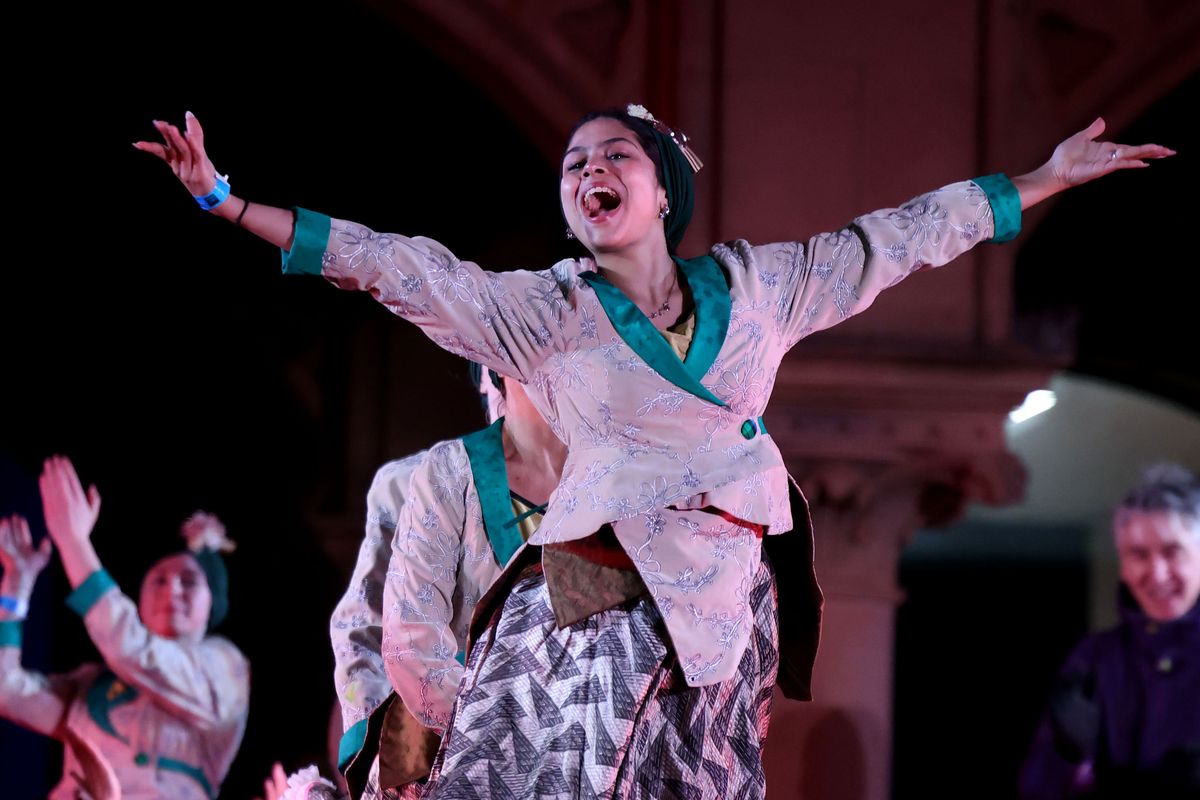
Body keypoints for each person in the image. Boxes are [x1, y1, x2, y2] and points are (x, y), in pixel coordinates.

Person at [137, 104, 1173, 799]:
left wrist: (1042, 179)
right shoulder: (542, 311)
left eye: (612, 157)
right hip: (598, 594)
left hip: (724, 602)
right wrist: (228, 202)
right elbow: (397, 267)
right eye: (574, 164)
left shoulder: (761, 286)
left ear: (662, 187)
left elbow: (893, 239)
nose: (588, 170)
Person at [333, 368, 565, 799]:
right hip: (444, 748)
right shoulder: (422, 480)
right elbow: (364, 629)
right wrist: (375, 755)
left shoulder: (608, 481)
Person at [0, 456, 250, 799]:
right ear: (139, 600)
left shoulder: (224, 667)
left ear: (213, 604)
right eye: (158, 580)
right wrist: (16, 588)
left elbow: (133, 650)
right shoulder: (92, 686)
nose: (172, 590)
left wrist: (75, 545)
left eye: (190, 582)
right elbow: (7, 692)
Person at [1019, 463, 1200, 799]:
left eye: (1173, 552)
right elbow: (1036, 790)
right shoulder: (1095, 659)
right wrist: (1066, 757)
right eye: (1139, 555)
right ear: (1123, 567)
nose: (1157, 574)